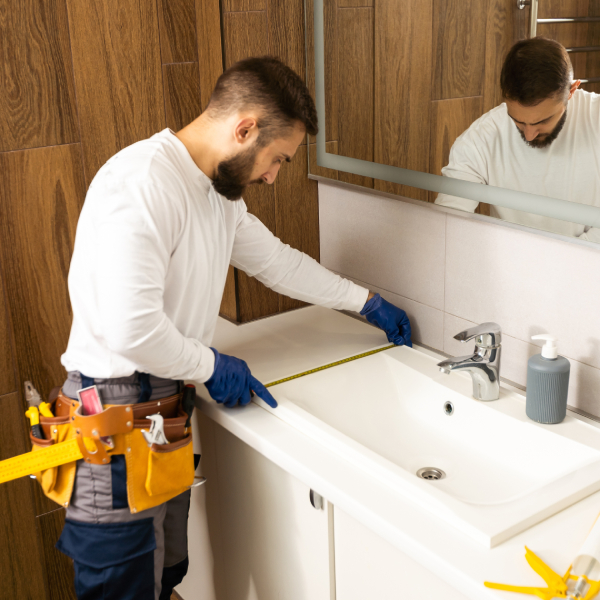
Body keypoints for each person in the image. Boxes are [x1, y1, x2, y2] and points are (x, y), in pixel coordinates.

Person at [54, 56, 412, 600]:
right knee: (119, 588)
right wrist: (211, 364)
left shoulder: (216, 195)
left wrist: (364, 302)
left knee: (165, 576)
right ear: (244, 128)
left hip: (163, 408)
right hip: (114, 416)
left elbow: (276, 262)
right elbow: (132, 329)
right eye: (276, 159)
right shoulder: (142, 183)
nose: (272, 175)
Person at [435, 37, 600, 242]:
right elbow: (447, 221)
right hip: (510, 263)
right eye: (518, 122)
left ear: (571, 91)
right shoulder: (479, 139)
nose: (529, 135)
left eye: (542, 121)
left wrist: (559, 262)